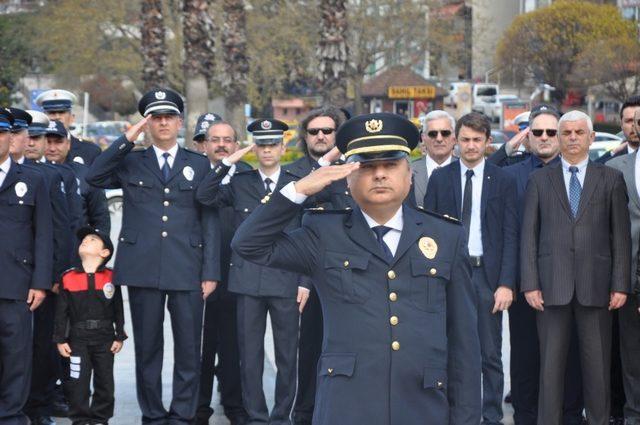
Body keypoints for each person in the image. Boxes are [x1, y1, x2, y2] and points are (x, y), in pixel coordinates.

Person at [230, 112, 481, 425]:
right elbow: (248, 245)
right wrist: (298, 190)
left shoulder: (445, 236)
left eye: (390, 164)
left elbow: (464, 345)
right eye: (366, 166)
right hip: (347, 407)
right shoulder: (323, 233)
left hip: (424, 406)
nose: (379, 175)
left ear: (409, 174)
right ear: (348, 178)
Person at [85, 88, 220, 424]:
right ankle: (154, 415)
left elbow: (210, 221)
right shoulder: (130, 160)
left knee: (189, 347)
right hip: (143, 266)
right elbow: (94, 176)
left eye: (169, 117)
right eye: (155, 118)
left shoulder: (199, 164)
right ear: (147, 122)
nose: (163, 123)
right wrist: (126, 138)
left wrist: (211, 271)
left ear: (179, 122)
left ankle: (183, 414)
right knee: (148, 348)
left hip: (187, 266)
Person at [521, 110, 631, 425]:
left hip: (596, 287)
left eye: (578, 133)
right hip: (551, 287)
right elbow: (529, 234)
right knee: (550, 371)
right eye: (565, 133)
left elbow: (620, 237)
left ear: (591, 137)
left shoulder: (610, 178)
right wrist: (530, 283)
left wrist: (620, 284)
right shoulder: (538, 180)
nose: (571, 138)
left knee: (597, 371)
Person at [197, 118, 309, 425]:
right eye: (261, 144)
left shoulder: (296, 180)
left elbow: (309, 232)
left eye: (273, 143)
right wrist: (227, 162)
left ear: (283, 146)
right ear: (254, 148)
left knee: (287, 358)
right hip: (247, 281)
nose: (267, 150)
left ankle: (281, 417)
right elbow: (205, 196)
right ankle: (256, 418)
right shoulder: (241, 182)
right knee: (250, 357)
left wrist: (306, 281)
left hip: (286, 280)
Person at [424, 111, 518, 425]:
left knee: (489, 353)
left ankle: (491, 416)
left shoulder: (502, 179)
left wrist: (506, 283)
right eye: (464, 139)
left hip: (487, 277)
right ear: (455, 141)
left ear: (488, 142)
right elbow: (430, 231)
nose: (471, 145)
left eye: (477, 140)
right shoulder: (441, 178)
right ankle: (454, 413)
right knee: (451, 349)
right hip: (451, 275)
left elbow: (510, 233)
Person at [503, 104, 584, 425]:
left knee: (570, 355)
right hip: (526, 281)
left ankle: (569, 414)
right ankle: (525, 415)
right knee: (525, 355)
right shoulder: (510, 175)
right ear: (528, 136)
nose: (546, 137)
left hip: (571, 281)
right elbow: (508, 231)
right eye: (538, 132)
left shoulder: (580, 171)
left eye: (553, 131)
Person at [8, 108, 72, 425]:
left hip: (34, 279)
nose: (28, 142)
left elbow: (57, 231)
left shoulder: (47, 176)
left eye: (34, 137)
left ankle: (36, 407)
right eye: (24, 135)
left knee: (38, 348)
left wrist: (52, 276)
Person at [285, 106, 347, 425]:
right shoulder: (293, 173)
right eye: (314, 131)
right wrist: (302, 280)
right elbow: (291, 227)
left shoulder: (351, 170)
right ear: (305, 137)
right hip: (306, 280)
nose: (321, 136)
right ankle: (305, 415)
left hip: (348, 277)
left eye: (327, 130)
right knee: (309, 352)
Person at [0, 107, 53, 425]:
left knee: (17, 355)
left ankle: (10, 414)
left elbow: (43, 234)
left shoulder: (32, 179)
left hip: (18, 283)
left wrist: (40, 281)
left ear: (9, 137)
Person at [196, 119, 250, 425]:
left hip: (236, 271)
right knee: (200, 345)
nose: (221, 145)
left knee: (233, 343)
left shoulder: (247, 178)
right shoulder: (197, 177)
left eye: (227, 140)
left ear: (237, 145)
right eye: (214, 140)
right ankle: (199, 405)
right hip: (200, 272)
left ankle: (233, 402)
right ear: (204, 145)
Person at [52, 226, 126, 425]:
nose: (85, 240)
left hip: (104, 338)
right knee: (78, 382)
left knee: (105, 381)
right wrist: (60, 339)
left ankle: (101, 418)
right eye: (84, 239)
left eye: (93, 239)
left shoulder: (111, 277)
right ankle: (80, 418)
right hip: (78, 339)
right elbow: (62, 313)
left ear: (105, 252)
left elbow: (118, 308)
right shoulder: (68, 277)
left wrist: (119, 335)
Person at [604, 107, 640, 425]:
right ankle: (630, 414)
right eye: (629, 120)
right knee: (628, 354)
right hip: (627, 274)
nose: (635, 126)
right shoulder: (614, 165)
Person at [44, 120, 110, 235]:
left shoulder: (85, 174)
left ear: (68, 144)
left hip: (77, 246)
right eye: (48, 142)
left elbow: (100, 218)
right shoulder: (33, 173)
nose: (52, 148)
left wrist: (97, 245)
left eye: (58, 142)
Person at [35, 89, 102, 166]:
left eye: (61, 112)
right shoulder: (32, 150)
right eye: (51, 112)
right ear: (43, 119)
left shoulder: (90, 151)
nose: (57, 117)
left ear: (72, 118)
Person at [410, 110, 457, 207]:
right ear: (423, 138)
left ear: (454, 137)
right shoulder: (408, 171)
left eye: (445, 133)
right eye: (433, 134)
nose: (439, 139)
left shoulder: (467, 171)